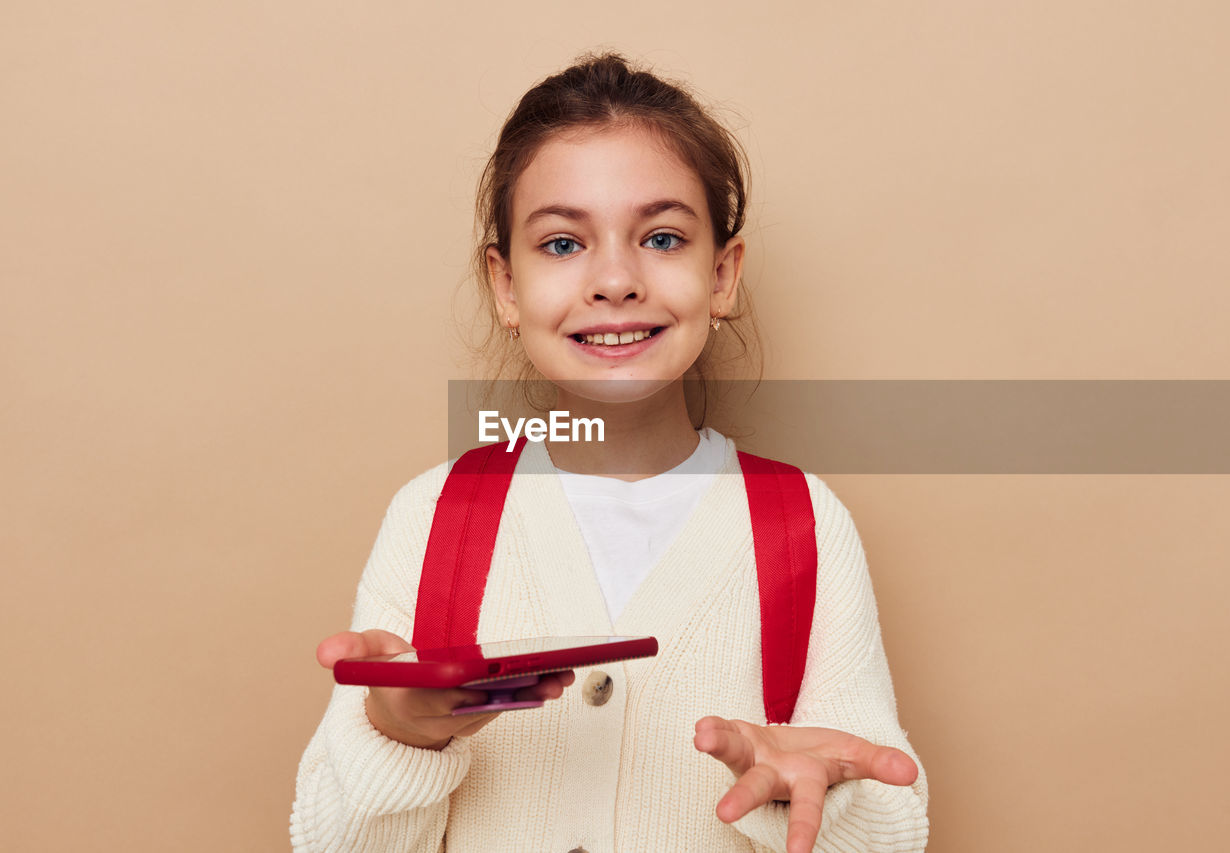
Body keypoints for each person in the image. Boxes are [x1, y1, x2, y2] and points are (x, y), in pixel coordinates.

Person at [291, 52, 928, 853]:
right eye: (562, 244)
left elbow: (892, 821)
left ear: (723, 274)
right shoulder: (434, 515)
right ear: (507, 287)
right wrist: (398, 732)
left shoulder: (804, 523)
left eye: (662, 237)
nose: (616, 279)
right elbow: (329, 841)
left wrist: (822, 796)